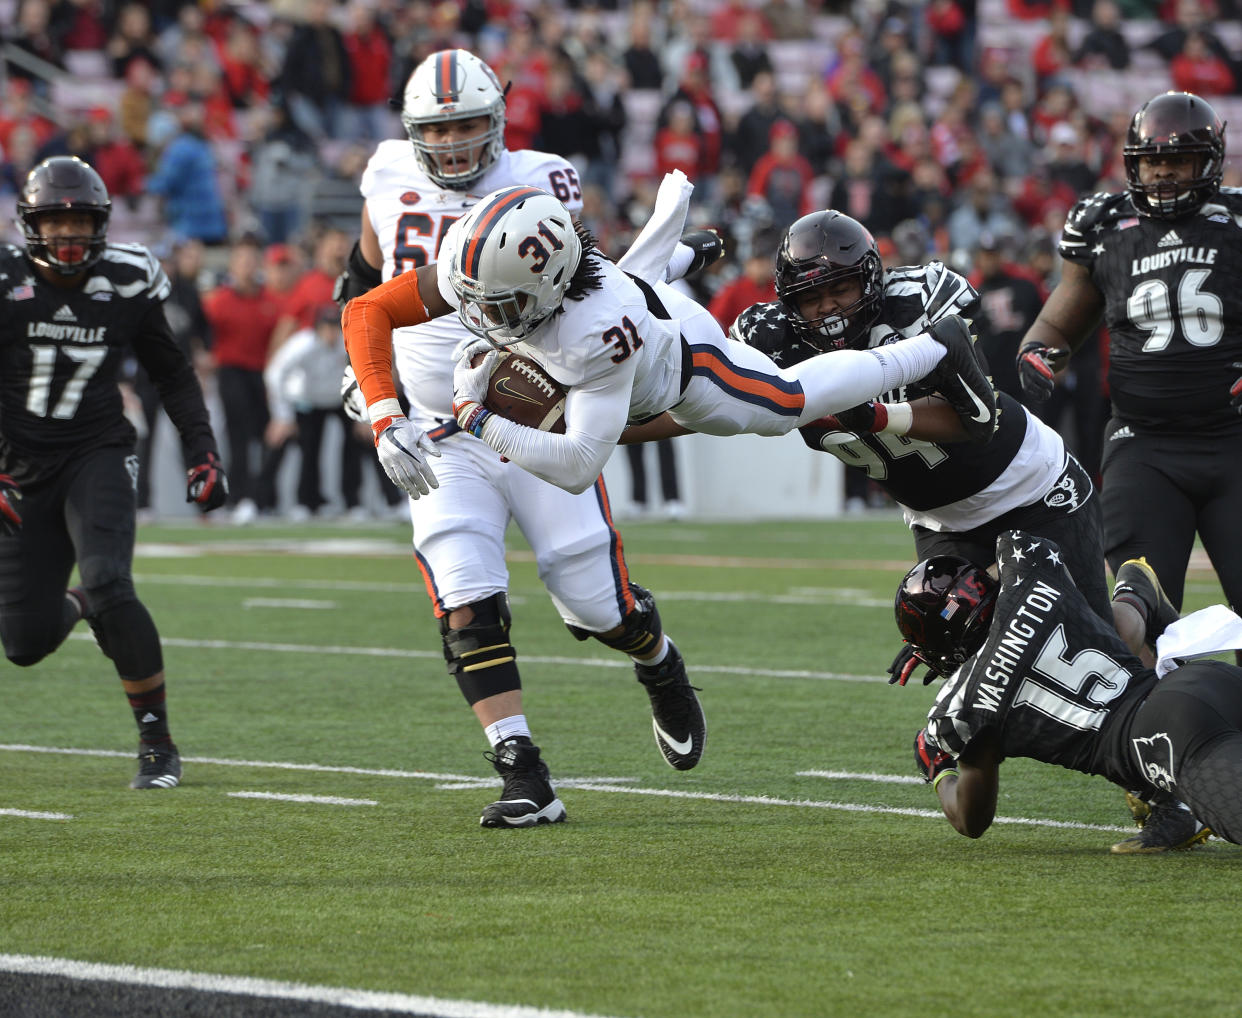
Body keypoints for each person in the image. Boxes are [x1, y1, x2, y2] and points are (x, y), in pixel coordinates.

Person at [334, 48, 710, 829]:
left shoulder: (545, 178)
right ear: (411, 132)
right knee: (465, 596)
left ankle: (658, 660)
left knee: (597, 606)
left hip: (529, 409)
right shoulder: (382, 174)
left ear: (499, 118)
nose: (455, 145)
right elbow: (360, 283)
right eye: (438, 130)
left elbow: (597, 285)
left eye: (470, 124)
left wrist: (674, 259)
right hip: (435, 429)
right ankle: (522, 769)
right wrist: (370, 387)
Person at [342, 181, 998, 512]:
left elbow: (576, 468)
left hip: (699, 372)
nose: (478, 313)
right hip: (648, 307)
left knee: (792, 400)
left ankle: (931, 352)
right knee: (629, 286)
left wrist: (480, 422)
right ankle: (696, 249)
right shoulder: (490, 260)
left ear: (541, 283)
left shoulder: (590, 338)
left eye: (499, 303)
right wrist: (384, 413)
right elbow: (367, 308)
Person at [0, 156, 228, 788]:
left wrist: (202, 451)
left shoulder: (128, 278)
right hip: (16, 464)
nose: (69, 235)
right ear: (31, 226)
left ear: (102, 224)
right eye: (55, 222)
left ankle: (157, 744)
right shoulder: (5, 279)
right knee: (23, 643)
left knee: (111, 583)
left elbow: (172, 374)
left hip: (94, 450)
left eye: (80, 221)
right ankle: (78, 604)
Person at [1015, 91, 1242, 666]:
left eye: (1179, 161)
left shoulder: (1237, 222)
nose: (1163, 173)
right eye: (1151, 161)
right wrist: (1038, 353)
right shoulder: (1103, 223)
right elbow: (1056, 323)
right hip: (1145, 446)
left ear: (1209, 164)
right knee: (1137, 606)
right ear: (1131, 163)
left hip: (1234, 440)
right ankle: (1158, 734)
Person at [898, 529, 1242, 853]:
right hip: (1204, 680)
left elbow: (970, 820)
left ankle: (1175, 803)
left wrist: (937, 767)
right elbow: (1013, 544)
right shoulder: (1027, 568)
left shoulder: (958, 709)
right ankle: (1134, 593)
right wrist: (975, 588)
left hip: (1163, 739)